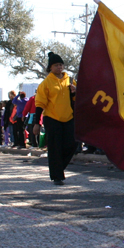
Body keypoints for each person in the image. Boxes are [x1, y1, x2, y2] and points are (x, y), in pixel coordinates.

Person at [33, 53, 76, 184]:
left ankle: (58, 168)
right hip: (52, 118)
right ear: (50, 68)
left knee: (72, 144)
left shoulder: (70, 80)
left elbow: (77, 100)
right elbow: (40, 104)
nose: (59, 67)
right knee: (55, 147)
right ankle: (57, 176)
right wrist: (36, 123)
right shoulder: (46, 83)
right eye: (56, 65)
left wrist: (76, 91)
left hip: (69, 117)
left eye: (61, 65)